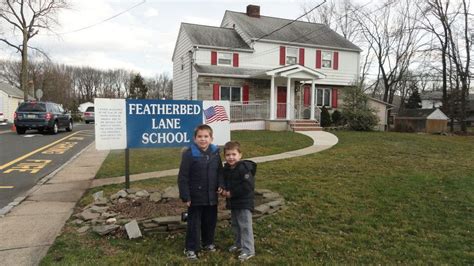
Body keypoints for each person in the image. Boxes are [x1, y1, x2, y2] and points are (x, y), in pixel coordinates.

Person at [178, 124, 223, 260]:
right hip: (195, 197)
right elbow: (183, 177)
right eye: (200, 136)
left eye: (206, 136)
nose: (203, 139)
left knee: (210, 221)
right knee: (194, 224)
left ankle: (208, 243)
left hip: (211, 196)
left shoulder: (215, 153)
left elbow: (220, 171)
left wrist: (221, 184)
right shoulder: (189, 154)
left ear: (211, 138)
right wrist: (186, 195)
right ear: (195, 138)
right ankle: (191, 248)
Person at [221, 141, 256, 261]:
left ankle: (249, 249)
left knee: (245, 226)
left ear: (240, 155)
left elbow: (248, 186)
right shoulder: (227, 169)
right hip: (234, 203)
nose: (231, 157)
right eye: (228, 155)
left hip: (244, 203)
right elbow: (225, 182)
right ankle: (239, 244)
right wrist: (223, 189)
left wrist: (232, 193)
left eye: (233, 154)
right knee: (236, 225)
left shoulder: (244, 168)